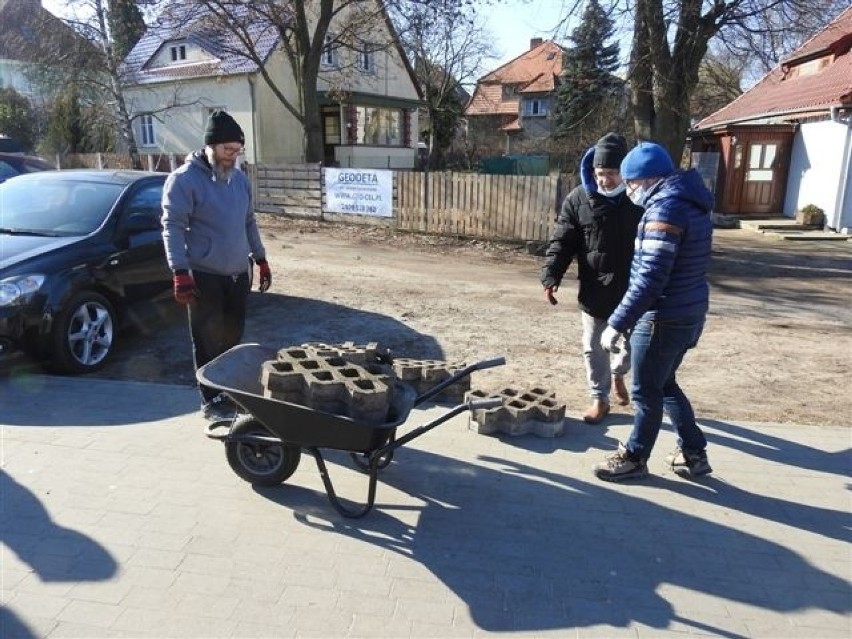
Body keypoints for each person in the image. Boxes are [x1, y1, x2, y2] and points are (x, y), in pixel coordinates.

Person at [593, 141, 714, 481]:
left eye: (629, 183)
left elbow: (650, 278)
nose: (628, 190)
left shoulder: (665, 209)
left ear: (645, 180)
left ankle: (634, 457)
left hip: (663, 318)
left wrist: (616, 323)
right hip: (690, 312)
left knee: (646, 392)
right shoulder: (691, 203)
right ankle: (694, 454)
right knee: (665, 384)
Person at [161, 110, 272, 421]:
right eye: (227, 150)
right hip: (203, 276)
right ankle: (210, 401)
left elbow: (249, 221)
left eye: (237, 151)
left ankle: (229, 391)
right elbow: (172, 226)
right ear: (210, 146)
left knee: (232, 338)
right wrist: (180, 272)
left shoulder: (239, 180)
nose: (232, 157)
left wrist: (260, 259)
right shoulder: (184, 181)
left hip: (238, 274)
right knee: (207, 340)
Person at [541, 133, 643, 424]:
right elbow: (562, 241)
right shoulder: (578, 198)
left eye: (612, 174)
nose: (605, 180)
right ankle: (600, 398)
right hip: (595, 287)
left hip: (634, 288)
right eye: (601, 173)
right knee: (593, 345)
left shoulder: (641, 197)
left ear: (624, 172)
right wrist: (551, 276)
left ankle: (617, 374)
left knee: (631, 346)